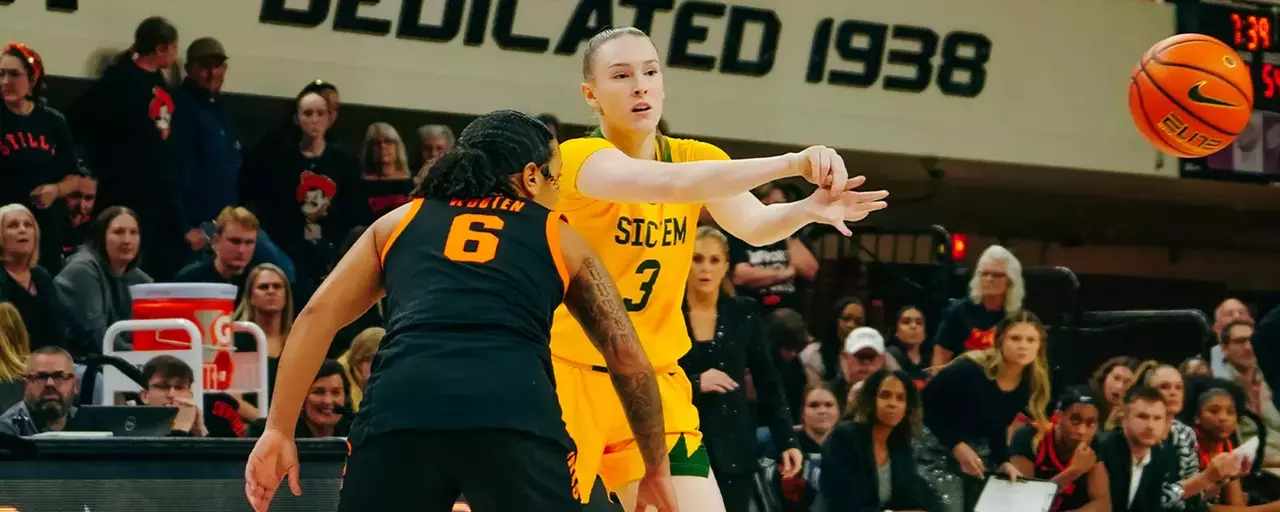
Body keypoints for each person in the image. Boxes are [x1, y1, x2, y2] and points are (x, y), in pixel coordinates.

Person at [244, 110, 676, 512]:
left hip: (401, 408)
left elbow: (316, 315)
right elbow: (627, 356)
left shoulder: (398, 222)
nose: (557, 192)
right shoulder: (559, 236)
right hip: (513, 412)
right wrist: (656, 467)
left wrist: (278, 428)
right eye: (555, 179)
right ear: (531, 177)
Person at [549, 26, 889, 510]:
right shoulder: (578, 158)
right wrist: (791, 163)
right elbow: (671, 185)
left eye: (650, 72)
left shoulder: (696, 157)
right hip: (568, 378)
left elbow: (756, 225)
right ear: (591, 94)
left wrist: (808, 209)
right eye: (621, 76)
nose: (640, 86)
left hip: (655, 387)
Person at [821, 369, 940, 511]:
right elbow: (842, 504)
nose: (892, 403)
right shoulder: (844, 439)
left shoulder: (900, 445)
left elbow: (918, 495)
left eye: (900, 398)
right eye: (885, 395)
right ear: (871, 399)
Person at [1009, 386, 1111, 512]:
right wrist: (1073, 471)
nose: (1082, 431)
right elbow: (1021, 503)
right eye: (1075, 422)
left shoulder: (1092, 444)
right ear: (1058, 417)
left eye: (1090, 424)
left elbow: (1103, 506)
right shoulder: (1030, 437)